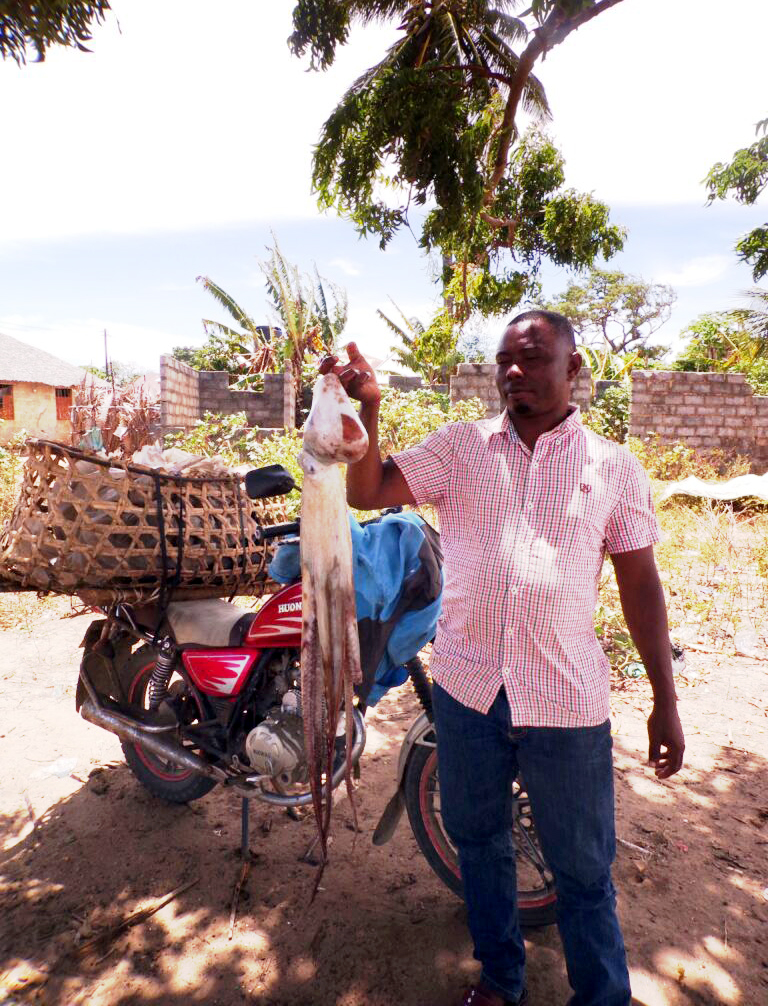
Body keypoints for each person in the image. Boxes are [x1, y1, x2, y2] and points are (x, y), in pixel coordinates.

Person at [320, 310, 685, 1006]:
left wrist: (666, 702)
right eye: (504, 360)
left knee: (581, 869)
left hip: (565, 704)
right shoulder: (462, 448)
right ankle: (499, 978)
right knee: (480, 844)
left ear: (573, 369)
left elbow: (642, 586)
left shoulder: (613, 468)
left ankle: (601, 995)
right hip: (468, 694)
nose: (514, 372)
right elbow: (368, 491)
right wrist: (367, 407)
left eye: (535, 358)